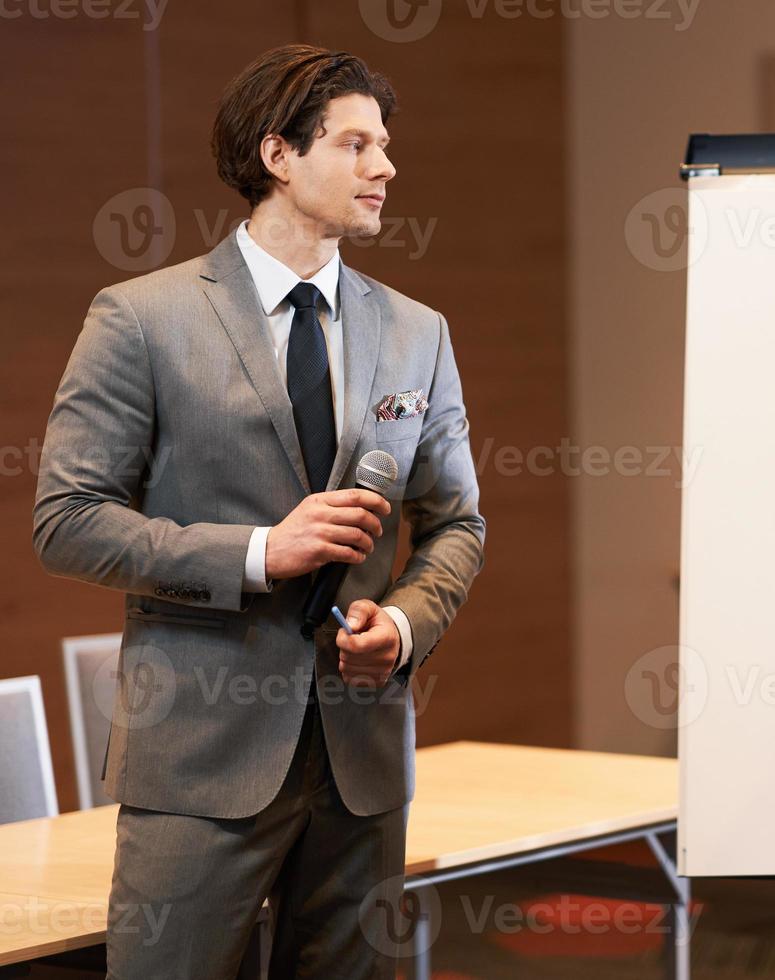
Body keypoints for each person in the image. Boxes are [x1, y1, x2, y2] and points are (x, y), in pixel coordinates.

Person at [33, 44, 485, 978]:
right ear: (278, 156)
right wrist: (257, 552)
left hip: (362, 758)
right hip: (199, 757)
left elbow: (454, 526)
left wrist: (401, 623)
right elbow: (67, 518)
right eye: (356, 145)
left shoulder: (417, 332)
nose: (386, 168)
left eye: (386, 146)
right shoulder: (142, 319)